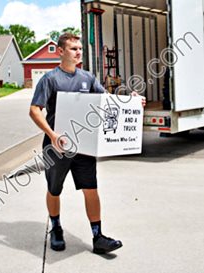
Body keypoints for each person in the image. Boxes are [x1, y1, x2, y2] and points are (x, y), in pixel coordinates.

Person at [29, 33, 145, 254]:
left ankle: (98, 237)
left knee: (91, 189)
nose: (79, 52)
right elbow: (35, 110)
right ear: (61, 52)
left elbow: (107, 102)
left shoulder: (87, 78)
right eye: (73, 48)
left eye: (80, 48)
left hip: (84, 146)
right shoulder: (50, 79)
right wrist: (52, 135)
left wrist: (131, 100)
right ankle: (56, 228)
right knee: (54, 190)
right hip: (57, 147)